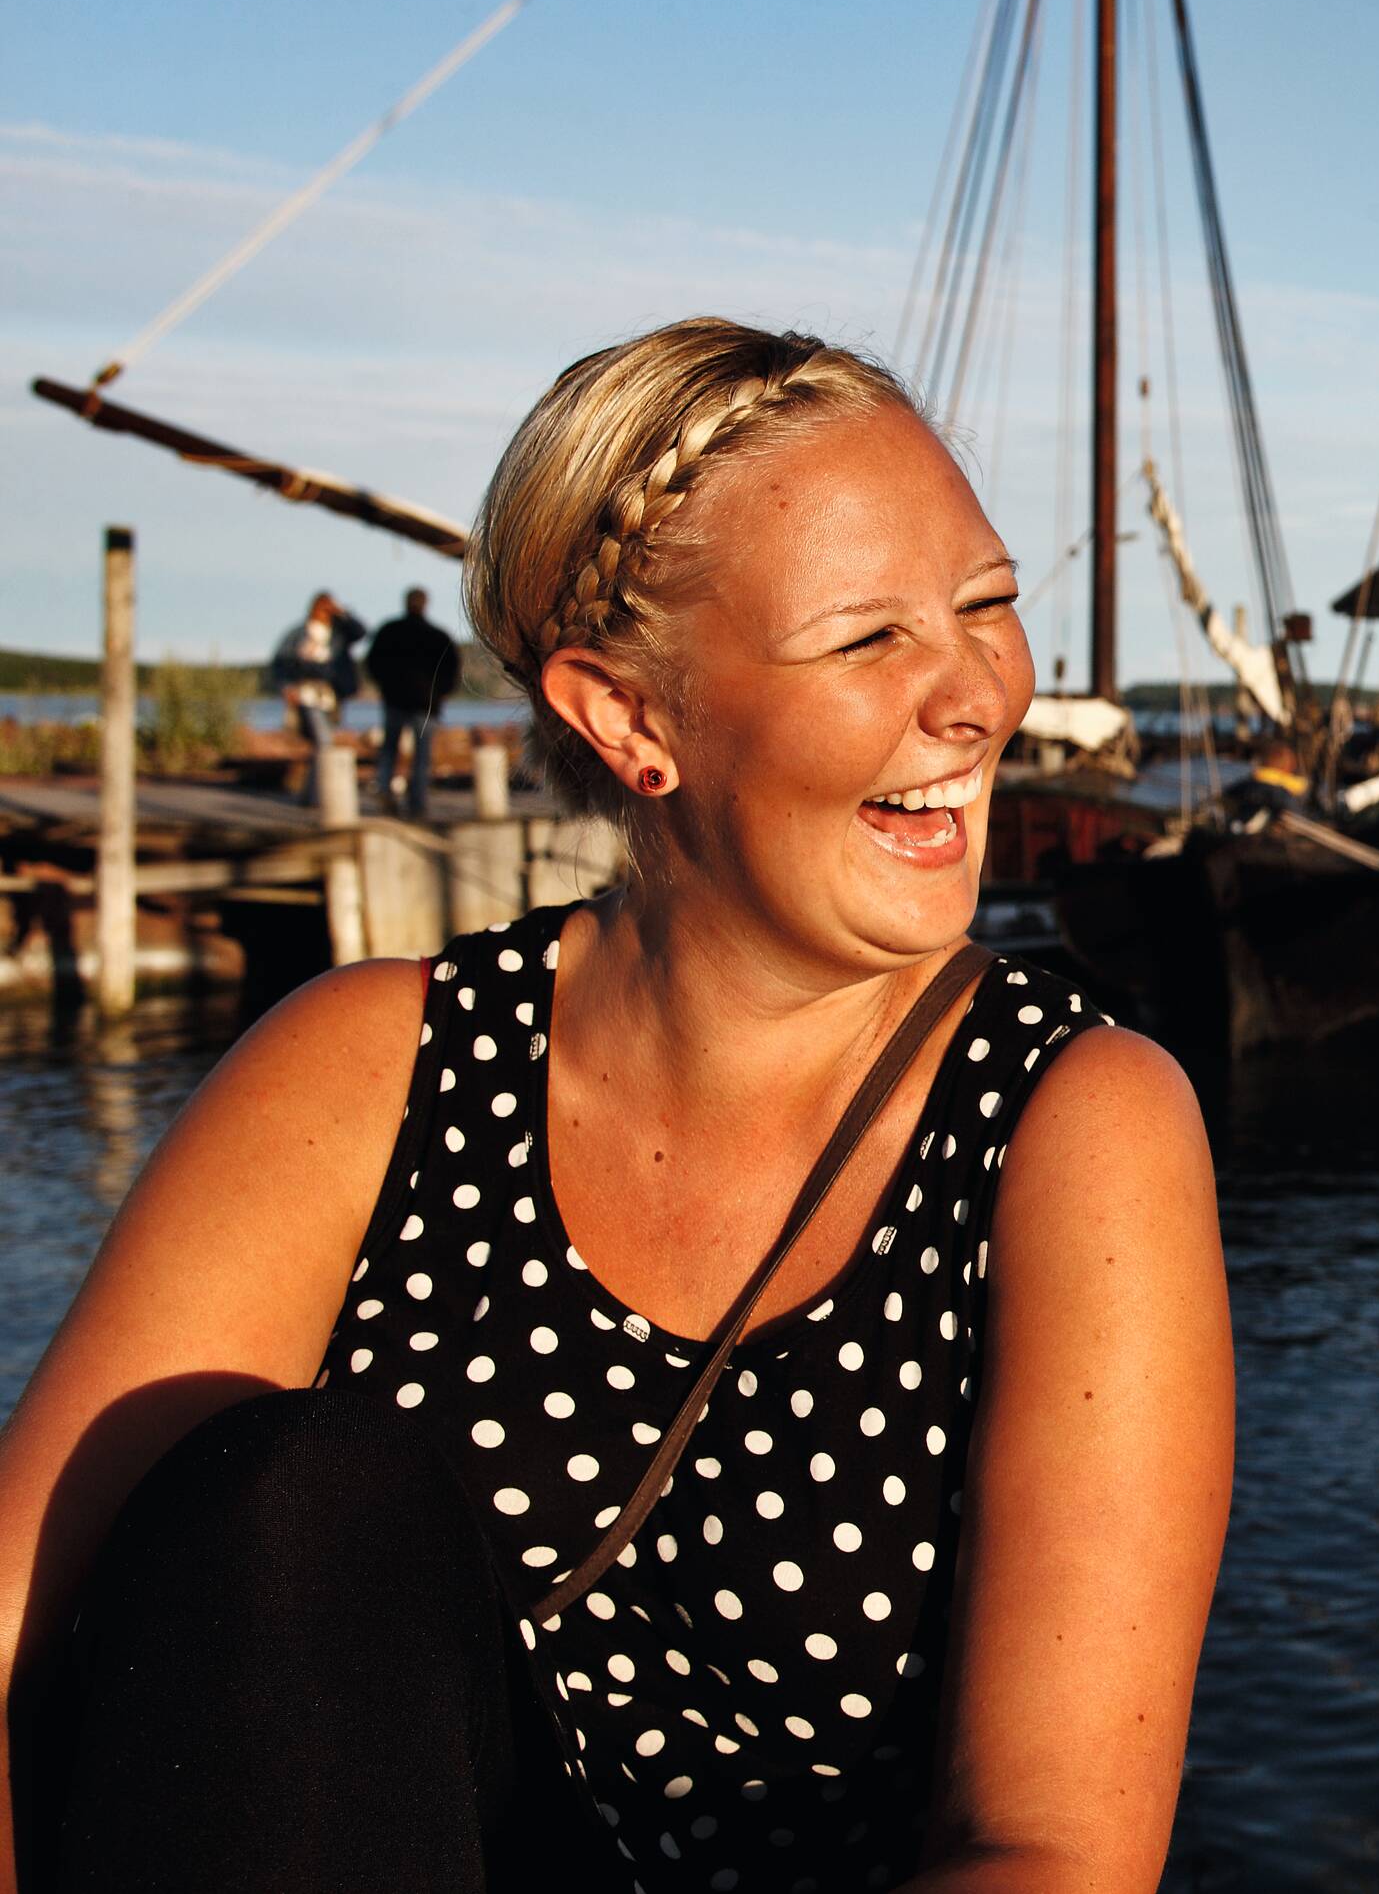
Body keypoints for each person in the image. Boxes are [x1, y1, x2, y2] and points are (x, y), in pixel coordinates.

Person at [0, 320, 1232, 1891]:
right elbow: (12, 1630)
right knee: (301, 1500)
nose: (977, 696)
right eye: (868, 639)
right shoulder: (368, 1070)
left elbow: (1051, 1848)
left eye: (987, 603)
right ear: (627, 718)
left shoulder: (1074, 1120)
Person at [362, 585, 464, 819]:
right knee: (421, 755)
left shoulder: (389, 631)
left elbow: (372, 662)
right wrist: (440, 693)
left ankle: (386, 794)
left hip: (396, 700)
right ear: (425, 604)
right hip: (424, 704)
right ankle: (417, 804)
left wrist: (385, 684)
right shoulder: (437, 636)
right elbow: (451, 669)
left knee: (390, 750)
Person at [267, 590, 366, 808]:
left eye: (328, 607)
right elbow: (280, 664)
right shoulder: (298, 634)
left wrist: (343, 612)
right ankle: (316, 798)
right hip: (306, 695)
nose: (325, 612)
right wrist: (286, 687)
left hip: (331, 697)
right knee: (324, 741)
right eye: (323, 607)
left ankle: (308, 795)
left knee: (322, 746)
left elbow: (361, 632)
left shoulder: (339, 633)